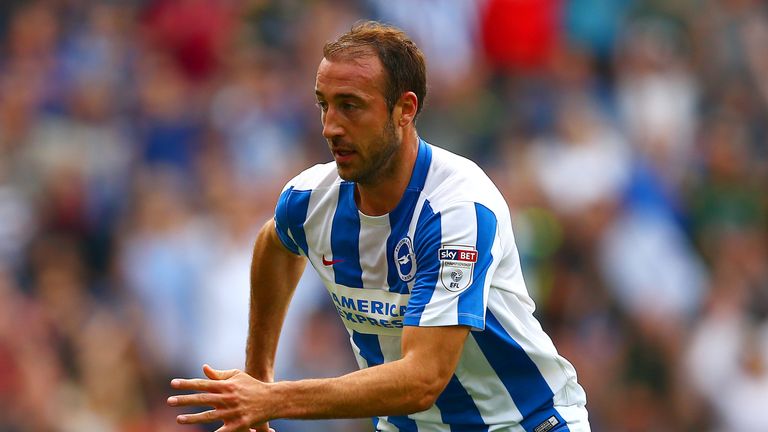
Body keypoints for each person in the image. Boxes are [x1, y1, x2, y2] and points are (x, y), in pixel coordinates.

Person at [167, 21, 590, 432]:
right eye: (323, 104)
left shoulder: (455, 209)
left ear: (405, 109)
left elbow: (422, 379)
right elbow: (275, 242)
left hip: (523, 423)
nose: (330, 127)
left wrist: (270, 399)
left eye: (350, 105)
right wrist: (258, 372)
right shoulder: (310, 199)